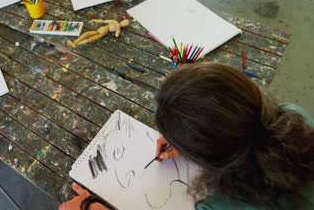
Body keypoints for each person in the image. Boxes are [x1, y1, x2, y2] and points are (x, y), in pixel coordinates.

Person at [59, 62, 314, 209]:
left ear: (207, 159)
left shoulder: (220, 205)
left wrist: (90, 207)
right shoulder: (292, 116)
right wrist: (195, 139)